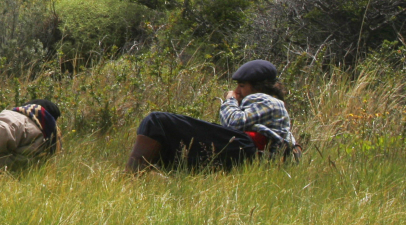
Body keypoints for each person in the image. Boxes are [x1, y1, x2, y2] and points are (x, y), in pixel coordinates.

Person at [126, 59, 298, 171]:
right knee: (163, 128)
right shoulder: (274, 104)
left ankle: (131, 178)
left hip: (249, 151)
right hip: (254, 155)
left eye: (242, 86)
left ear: (259, 87)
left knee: (158, 121)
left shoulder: (264, 99)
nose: (238, 90)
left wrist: (230, 101)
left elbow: (234, 122)